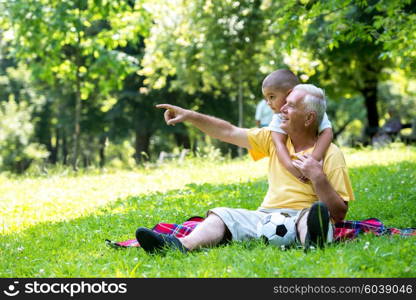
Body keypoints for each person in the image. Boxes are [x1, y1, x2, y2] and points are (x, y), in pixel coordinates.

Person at [136, 76, 354, 254]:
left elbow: (339, 213)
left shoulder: (331, 154)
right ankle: (179, 246)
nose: (282, 109)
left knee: (313, 217)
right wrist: (190, 116)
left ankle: (314, 244)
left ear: (309, 119)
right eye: (284, 103)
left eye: (291, 106)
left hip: (303, 215)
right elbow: (228, 131)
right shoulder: (271, 138)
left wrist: (318, 178)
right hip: (266, 217)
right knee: (221, 214)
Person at [263, 69, 333, 183]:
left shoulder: (311, 108)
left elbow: (327, 133)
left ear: (289, 93)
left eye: (271, 97)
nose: (268, 102)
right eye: (266, 98)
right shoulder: (277, 117)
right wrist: (294, 170)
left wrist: (313, 160)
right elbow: (279, 144)